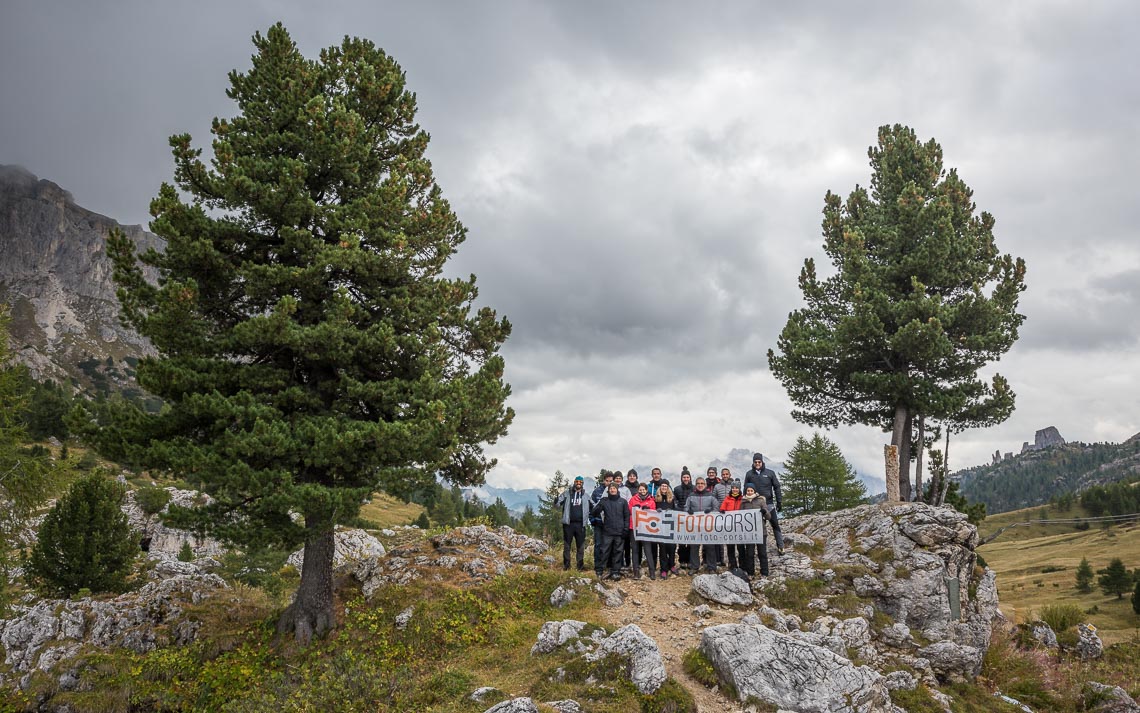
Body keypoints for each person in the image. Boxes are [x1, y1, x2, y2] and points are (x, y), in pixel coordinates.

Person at [744, 452, 784, 555]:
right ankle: (760, 550)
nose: (757, 463)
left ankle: (781, 546)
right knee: (758, 527)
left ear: (762, 462)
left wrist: (779, 502)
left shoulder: (770, 473)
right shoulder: (749, 474)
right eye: (755, 462)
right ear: (753, 462)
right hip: (755, 505)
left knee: (775, 524)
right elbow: (745, 489)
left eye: (759, 461)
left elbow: (777, 487)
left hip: (769, 504)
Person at [590, 482, 631, 581]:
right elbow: (594, 512)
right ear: (608, 490)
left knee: (618, 551)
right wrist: (600, 504)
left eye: (614, 488)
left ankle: (615, 572)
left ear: (617, 490)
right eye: (611, 488)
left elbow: (626, 516)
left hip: (620, 531)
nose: (612, 490)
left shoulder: (623, 502)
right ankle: (600, 570)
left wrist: (626, 529)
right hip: (607, 531)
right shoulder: (604, 501)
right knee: (604, 551)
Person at [555, 476, 591, 570]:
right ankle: (566, 566)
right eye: (577, 481)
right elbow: (557, 504)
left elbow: (594, 507)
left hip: (580, 524)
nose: (578, 483)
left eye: (580, 482)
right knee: (567, 545)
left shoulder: (586, 496)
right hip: (568, 524)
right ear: (574, 482)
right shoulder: (567, 493)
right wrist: (556, 498)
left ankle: (580, 566)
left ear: (582, 483)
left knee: (581, 546)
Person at [685, 476, 718, 572]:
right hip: (695, 526)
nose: (700, 485)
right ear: (696, 485)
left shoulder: (711, 496)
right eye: (698, 483)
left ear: (705, 485)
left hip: (708, 526)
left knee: (710, 546)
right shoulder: (691, 496)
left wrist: (711, 511)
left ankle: (711, 567)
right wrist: (688, 511)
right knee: (694, 546)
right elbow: (686, 508)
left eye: (702, 483)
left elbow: (717, 508)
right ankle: (694, 567)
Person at [628, 482, 657, 579]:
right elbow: (629, 511)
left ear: (646, 490)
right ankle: (636, 572)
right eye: (640, 490)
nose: (642, 491)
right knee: (635, 550)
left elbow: (654, 514)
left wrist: (648, 510)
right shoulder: (633, 499)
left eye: (643, 490)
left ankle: (652, 571)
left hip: (646, 528)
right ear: (638, 490)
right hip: (634, 527)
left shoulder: (651, 501)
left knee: (648, 550)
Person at [740, 484, 770, 577]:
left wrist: (765, 512)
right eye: (748, 490)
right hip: (749, 533)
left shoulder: (761, 501)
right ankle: (750, 573)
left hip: (761, 531)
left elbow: (769, 517)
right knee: (749, 553)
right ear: (745, 491)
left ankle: (764, 573)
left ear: (754, 491)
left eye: (751, 490)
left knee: (762, 553)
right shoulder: (743, 502)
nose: (749, 492)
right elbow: (740, 517)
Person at [590, 472, 615, 576]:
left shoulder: (613, 492)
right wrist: (592, 519)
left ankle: (609, 566)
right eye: (607, 481)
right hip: (598, 523)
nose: (609, 483)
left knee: (609, 545)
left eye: (611, 481)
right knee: (598, 545)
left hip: (609, 524)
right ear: (603, 480)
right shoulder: (597, 492)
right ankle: (598, 567)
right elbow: (591, 506)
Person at [654, 482, 679, 578]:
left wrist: (672, 511)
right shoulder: (656, 499)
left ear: (668, 487)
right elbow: (652, 510)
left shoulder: (672, 499)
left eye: (666, 486)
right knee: (663, 549)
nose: (664, 487)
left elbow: (676, 511)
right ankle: (663, 569)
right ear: (660, 487)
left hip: (670, 527)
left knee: (672, 547)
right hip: (660, 527)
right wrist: (656, 511)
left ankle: (672, 565)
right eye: (662, 486)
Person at [718, 481, 743, 570]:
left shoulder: (742, 499)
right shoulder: (727, 499)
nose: (735, 489)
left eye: (736, 488)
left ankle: (742, 566)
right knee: (730, 547)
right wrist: (722, 511)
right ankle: (733, 565)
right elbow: (722, 508)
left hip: (740, 527)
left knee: (741, 548)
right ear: (731, 489)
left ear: (739, 489)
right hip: (730, 527)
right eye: (733, 488)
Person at [711, 468, 733, 567]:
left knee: (730, 538)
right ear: (721, 475)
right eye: (723, 474)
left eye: (726, 474)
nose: (725, 476)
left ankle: (731, 561)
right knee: (719, 538)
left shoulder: (733, 486)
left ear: (729, 475)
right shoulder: (717, 486)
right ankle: (719, 560)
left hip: (731, 515)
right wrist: (716, 511)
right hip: (719, 514)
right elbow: (713, 499)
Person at [673, 467, 694, 570]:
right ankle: (682, 561)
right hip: (680, 518)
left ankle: (690, 561)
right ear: (681, 478)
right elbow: (675, 502)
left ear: (690, 478)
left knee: (690, 540)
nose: (686, 479)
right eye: (684, 477)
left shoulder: (694, 488)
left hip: (691, 518)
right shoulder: (676, 489)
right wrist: (680, 509)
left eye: (687, 477)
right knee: (681, 540)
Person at [622, 469, 638, 568]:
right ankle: (627, 563)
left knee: (637, 543)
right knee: (626, 542)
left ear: (636, 477)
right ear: (627, 477)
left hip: (638, 519)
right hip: (626, 517)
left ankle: (638, 563)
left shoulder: (639, 488)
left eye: (634, 475)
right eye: (630, 475)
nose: (632, 477)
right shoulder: (624, 488)